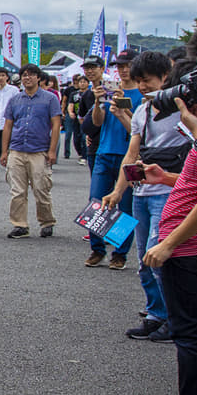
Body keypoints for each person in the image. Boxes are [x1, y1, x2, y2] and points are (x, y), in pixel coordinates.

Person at [140, 23, 197, 395]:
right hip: (188, 244)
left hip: (189, 248)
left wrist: (168, 243)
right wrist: (169, 178)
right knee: (192, 330)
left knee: (188, 332)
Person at [101, 53, 184, 342]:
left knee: (158, 255)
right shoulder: (142, 112)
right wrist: (118, 190)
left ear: (165, 76)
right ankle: (156, 314)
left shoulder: (181, 111)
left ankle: (176, 319)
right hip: (142, 192)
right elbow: (132, 154)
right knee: (144, 260)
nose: (143, 86)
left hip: (170, 191)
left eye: (147, 80)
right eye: (139, 81)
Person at [85, 50, 142, 270]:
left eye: (127, 65)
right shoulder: (109, 90)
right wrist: (100, 100)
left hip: (131, 156)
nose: (123, 69)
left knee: (126, 206)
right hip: (104, 152)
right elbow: (97, 122)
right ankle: (97, 249)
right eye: (119, 66)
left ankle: (120, 254)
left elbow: (138, 132)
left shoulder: (142, 94)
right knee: (96, 201)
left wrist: (123, 110)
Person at [0, 64, 61, 239]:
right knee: (17, 190)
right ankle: (20, 225)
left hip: (39, 150)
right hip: (17, 149)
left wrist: (52, 150)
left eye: (31, 75)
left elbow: (56, 125)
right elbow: (8, 126)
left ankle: (47, 221)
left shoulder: (50, 99)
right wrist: (4, 151)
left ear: (38, 78)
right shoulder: (15, 100)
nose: (27, 78)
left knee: (41, 188)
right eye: (24, 75)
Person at [78, 55, 105, 173]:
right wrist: (88, 133)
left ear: (102, 69)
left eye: (93, 68)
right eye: (87, 68)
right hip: (94, 146)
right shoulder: (86, 95)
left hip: (111, 144)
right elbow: (82, 117)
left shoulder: (112, 91)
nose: (89, 71)